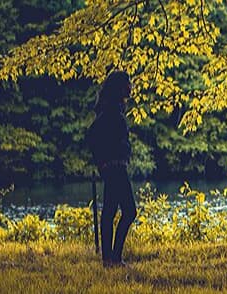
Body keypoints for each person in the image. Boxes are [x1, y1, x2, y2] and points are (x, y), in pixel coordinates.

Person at [86, 71, 136, 268]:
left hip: (115, 166)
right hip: (115, 168)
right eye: (128, 83)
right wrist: (103, 161)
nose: (130, 86)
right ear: (119, 87)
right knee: (129, 211)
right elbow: (93, 135)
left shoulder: (114, 108)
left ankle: (111, 259)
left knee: (110, 211)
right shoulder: (111, 111)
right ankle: (113, 258)